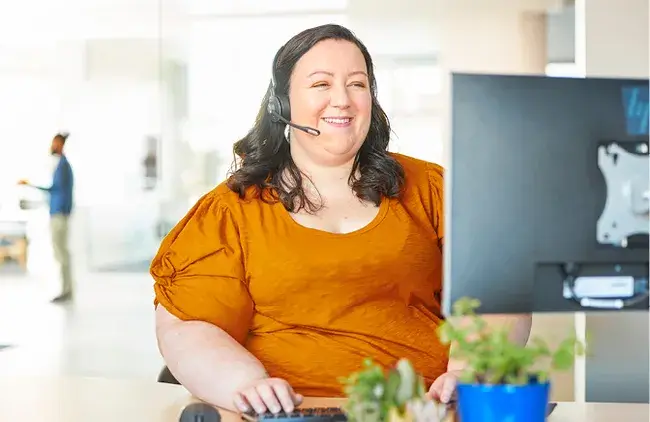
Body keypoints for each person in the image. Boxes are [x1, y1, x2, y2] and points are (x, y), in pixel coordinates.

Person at [150, 24, 532, 414]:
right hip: (286, 415)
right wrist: (246, 385)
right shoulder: (230, 211)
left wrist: (470, 371)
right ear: (282, 104)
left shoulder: (432, 189)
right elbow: (187, 327)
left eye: (357, 84)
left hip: (420, 410)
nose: (343, 100)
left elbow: (499, 293)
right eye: (321, 85)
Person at [18, 132, 74, 302]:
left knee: (61, 253)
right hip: (58, 213)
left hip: (59, 214)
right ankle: (66, 288)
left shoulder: (63, 166)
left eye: (54, 143)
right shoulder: (61, 165)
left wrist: (30, 185)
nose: (52, 146)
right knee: (60, 252)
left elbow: (55, 190)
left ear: (60, 144)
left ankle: (66, 290)